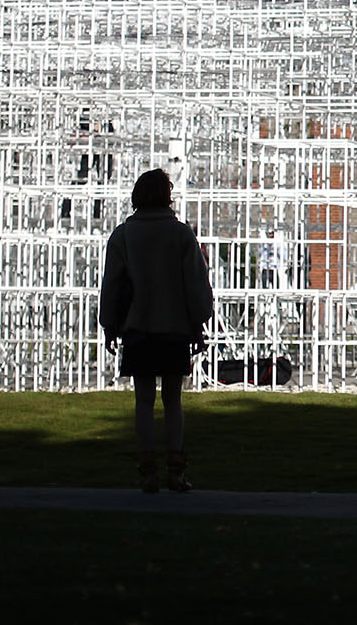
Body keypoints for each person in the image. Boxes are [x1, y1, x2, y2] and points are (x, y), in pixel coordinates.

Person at [98, 169, 215, 494]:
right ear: (167, 195)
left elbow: (113, 284)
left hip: (138, 328)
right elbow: (196, 284)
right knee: (173, 401)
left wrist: (110, 324)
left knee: (143, 401)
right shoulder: (180, 234)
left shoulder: (123, 235)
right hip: (175, 328)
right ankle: (176, 472)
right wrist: (200, 319)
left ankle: (147, 472)